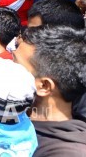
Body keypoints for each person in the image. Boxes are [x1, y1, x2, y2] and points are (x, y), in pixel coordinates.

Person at [13, 26, 86, 156]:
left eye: (16, 64)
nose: (7, 68)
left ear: (44, 86)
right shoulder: (10, 116)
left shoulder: (67, 152)